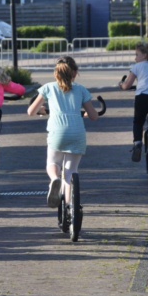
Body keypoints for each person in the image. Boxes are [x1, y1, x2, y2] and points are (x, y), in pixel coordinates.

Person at [27, 56, 99, 207]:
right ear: (75, 73)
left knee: (53, 162)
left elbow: (31, 111)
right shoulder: (81, 90)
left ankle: (54, 179)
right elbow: (93, 116)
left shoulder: (48, 88)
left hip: (57, 131)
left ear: (55, 73)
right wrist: (87, 113)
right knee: (71, 170)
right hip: (77, 132)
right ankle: (69, 207)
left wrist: (42, 110)